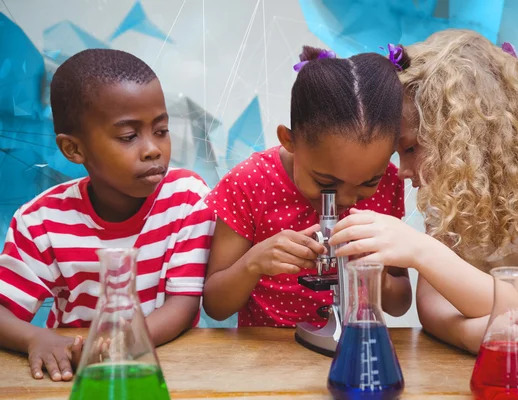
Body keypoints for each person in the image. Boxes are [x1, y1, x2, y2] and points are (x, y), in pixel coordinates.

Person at [330, 29, 518, 359]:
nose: (401, 170)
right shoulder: (454, 201)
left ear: (468, 139)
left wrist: (420, 250)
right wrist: (469, 334)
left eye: (412, 148)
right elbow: (432, 304)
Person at [0, 49, 215, 381]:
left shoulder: (187, 198)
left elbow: (182, 306)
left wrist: (120, 343)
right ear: (74, 149)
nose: (153, 149)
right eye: (129, 136)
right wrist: (36, 337)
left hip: (169, 369)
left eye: (161, 130)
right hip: (78, 373)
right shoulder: (40, 221)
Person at [203, 45, 412, 327]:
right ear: (289, 141)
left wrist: (377, 273)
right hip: (267, 355)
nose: (348, 200)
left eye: (367, 183)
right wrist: (253, 263)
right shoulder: (249, 183)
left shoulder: (389, 181)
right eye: (326, 182)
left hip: (352, 345)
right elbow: (215, 305)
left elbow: (399, 304)